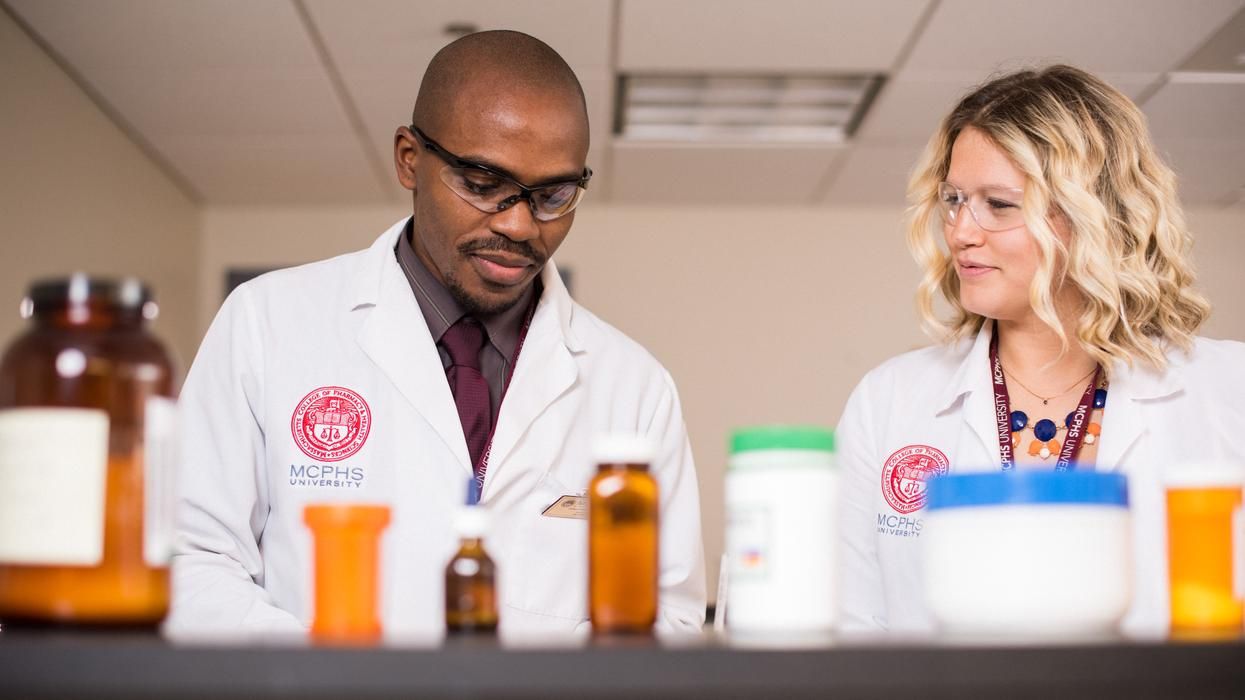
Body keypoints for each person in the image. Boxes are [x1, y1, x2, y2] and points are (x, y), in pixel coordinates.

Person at [167, 30, 705, 638]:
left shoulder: (634, 387)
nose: (520, 224)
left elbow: (671, 620)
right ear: (409, 159)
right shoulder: (267, 324)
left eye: (553, 195)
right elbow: (191, 562)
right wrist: (337, 678)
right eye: (481, 184)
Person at [836, 64, 1245, 637]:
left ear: (1094, 217)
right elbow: (858, 635)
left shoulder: (1228, 391)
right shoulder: (891, 401)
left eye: (998, 205)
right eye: (954, 200)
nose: (959, 231)